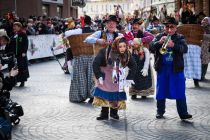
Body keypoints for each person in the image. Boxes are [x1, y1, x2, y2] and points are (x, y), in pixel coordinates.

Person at [150, 17, 192, 120]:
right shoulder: (159, 36)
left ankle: (183, 113)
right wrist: (159, 43)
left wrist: (173, 45)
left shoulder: (180, 37)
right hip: (163, 68)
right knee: (161, 90)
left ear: (176, 27)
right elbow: (151, 47)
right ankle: (160, 111)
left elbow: (185, 49)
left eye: (171, 27)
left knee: (180, 90)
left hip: (176, 68)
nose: (169, 30)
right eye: (167, 27)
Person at [92, 36, 136, 120]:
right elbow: (95, 63)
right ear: (116, 45)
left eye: (124, 46)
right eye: (120, 46)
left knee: (116, 95)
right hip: (106, 77)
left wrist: (130, 77)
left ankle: (114, 113)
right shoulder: (105, 51)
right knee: (105, 95)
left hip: (118, 78)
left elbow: (133, 65)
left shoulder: (127, 54)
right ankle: (104, 114)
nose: (122, 49)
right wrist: (99, 76)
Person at [64, 15, 95, 103]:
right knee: (91, 77)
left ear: (83, 22)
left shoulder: (79, 30)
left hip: (80, 56)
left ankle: (80, 96)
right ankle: (92, 96)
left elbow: (66, 34)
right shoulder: (94, 32)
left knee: (81, 77)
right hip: (92, 56)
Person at [130, 18, 154, 99]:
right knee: (133, 74)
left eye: (136, 25)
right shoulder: (129, 34)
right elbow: (125, 40)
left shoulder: (144, 33)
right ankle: (134, 92)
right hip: (133, 55)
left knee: (144, 74)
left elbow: (151, 37)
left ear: (139, 26)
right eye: (133, 25)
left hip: (143, 56)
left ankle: (144, 93)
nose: (135, 26)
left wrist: (140, 40)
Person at [9, 22, 29, 87]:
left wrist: (24, 52)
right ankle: (14, 81)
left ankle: (22, 81)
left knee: (21, 67)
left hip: (21, 54)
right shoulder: (13, 34)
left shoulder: (23, 34)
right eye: (13, 26)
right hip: (14, 54)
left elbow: (26, 43)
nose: (14, 27)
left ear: (19, 27)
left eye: (15, 26)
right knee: (14, 67)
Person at [200, 17, 210, 81]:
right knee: (201, 61)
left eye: (206, 20)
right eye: (204, 20)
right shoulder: (199, 28)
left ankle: (203, 75)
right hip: (200, 46)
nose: (204, 21)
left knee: (206, 62)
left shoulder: (209, 29)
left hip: (207, 46)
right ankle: (200, 75)